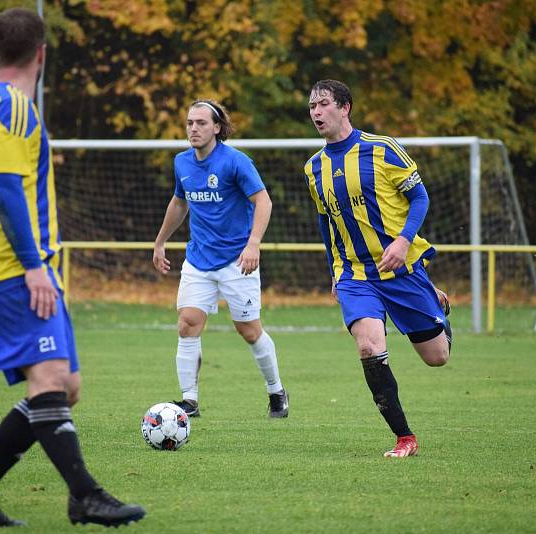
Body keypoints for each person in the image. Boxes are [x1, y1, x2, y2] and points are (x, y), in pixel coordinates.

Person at [0, 7, 145, 527]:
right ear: (42, 54)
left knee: (65, 387)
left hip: (18, 267)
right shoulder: (13, 109)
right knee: (51, 377)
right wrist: (32, 266)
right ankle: (85, 495)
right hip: (16, 270)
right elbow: (7, 191)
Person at [304, 79, 452, 458]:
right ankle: (405, 437)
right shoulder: (313, 168)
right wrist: (333, 270)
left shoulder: (382, 149)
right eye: (311, 107)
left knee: (437, 357)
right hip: (355, 274)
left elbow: (420, 197)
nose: (316, 112)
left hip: (401, 270)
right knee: (369, 347)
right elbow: (326, 224)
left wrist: (403, 242)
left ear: (345, 107)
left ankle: (433, 300)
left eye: (323, 104)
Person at [152, 99, 289, 419]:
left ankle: (276, 391)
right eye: (189, 123)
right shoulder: (182, 163)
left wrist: (253, 244)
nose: (194, 129)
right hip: (198, 259)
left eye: (201, 123)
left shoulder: (236, 162)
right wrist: (160, 243)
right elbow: (178, 203)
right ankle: (189, 401)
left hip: (236, 260)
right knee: (187, 323)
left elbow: (263, 201)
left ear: (217, 127)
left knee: (249, 330)